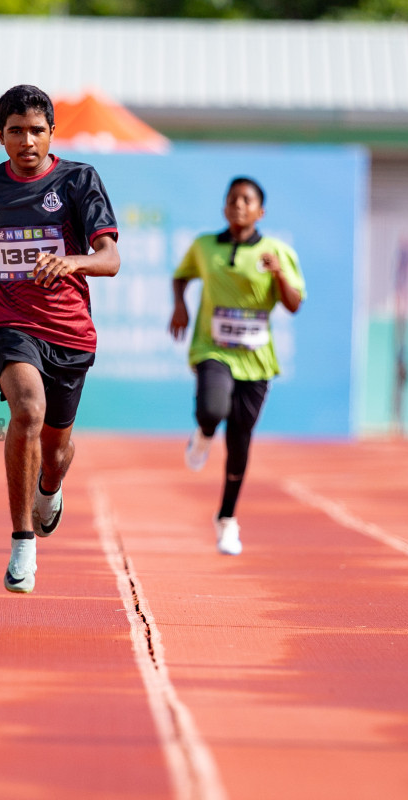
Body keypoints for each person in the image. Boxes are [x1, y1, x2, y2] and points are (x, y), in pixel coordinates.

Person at [0, 85, 121, 594]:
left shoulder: (77, 181)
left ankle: (50, 486)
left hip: (69, 330)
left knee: (57, 452)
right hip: (8, 319)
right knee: (26, 410)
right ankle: (22, 542)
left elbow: (110, 258)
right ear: (0, 136)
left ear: (52, 133)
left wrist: (73, 261)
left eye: (37, 130)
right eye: (16, 131)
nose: (27, 141)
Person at [169, 177, 304, 556]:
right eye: (233, 199)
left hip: (257, 360)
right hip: (213, 348)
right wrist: (180, 304)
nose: (239, 205)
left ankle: (226, 519)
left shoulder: (277, 251)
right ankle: (204, 431)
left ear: (260, 211)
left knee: (240, 441)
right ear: (225, 207)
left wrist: (277, 273)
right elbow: (181, 277)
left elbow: (294, 303)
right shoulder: (205, 246)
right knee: (212, 408)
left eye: (247, 200)